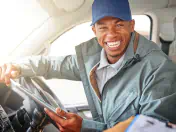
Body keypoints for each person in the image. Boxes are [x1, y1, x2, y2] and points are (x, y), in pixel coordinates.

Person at [0, 0, 176, 131]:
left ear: (132, 26)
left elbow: (152, 128)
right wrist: (17, 67)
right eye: (103, 27)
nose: (111, 35)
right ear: (94, 30)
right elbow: (52, 65)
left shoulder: (159, 69)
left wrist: (84, 127)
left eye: (119, 24)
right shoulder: (92, 60)